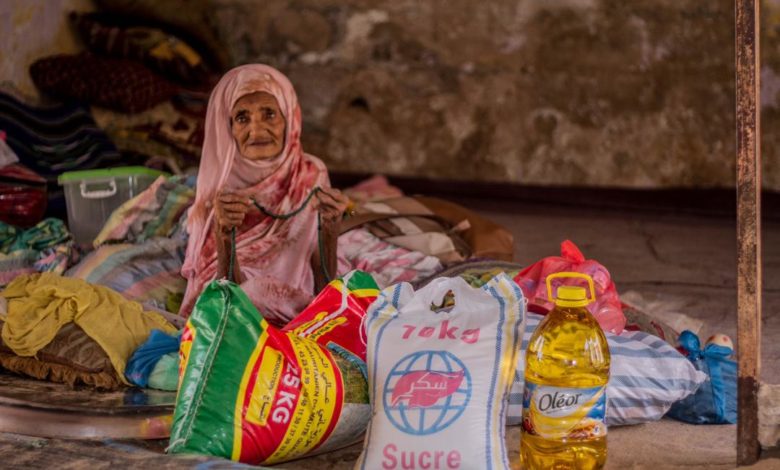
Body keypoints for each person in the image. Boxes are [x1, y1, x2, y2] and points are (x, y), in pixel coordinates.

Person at [180, 64, 348, 325]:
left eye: (269, 114)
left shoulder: (309, 174)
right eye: (242, 118)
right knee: (254, 295)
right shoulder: (220, 185)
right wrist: (223, 234)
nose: (256, 131)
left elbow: (323, 280)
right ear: (228, 128)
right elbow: (224, 296)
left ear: (289, 119)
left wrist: (330, 229)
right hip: (239, 298)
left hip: (293, 295)